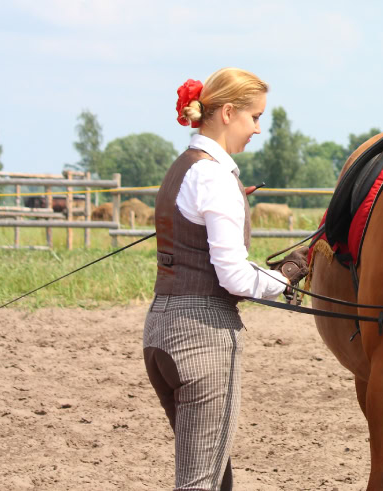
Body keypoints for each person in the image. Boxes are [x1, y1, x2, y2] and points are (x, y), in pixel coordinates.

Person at [143, 67, 308, 491]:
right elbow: (233, 274)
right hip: (203, 337)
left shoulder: (185, 166)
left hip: (160, 329)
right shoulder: (215, 175)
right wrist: (284, 277)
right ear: (229, 112)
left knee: (216, 477)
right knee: (200, 482)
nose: (257, 129)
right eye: (255, 117)